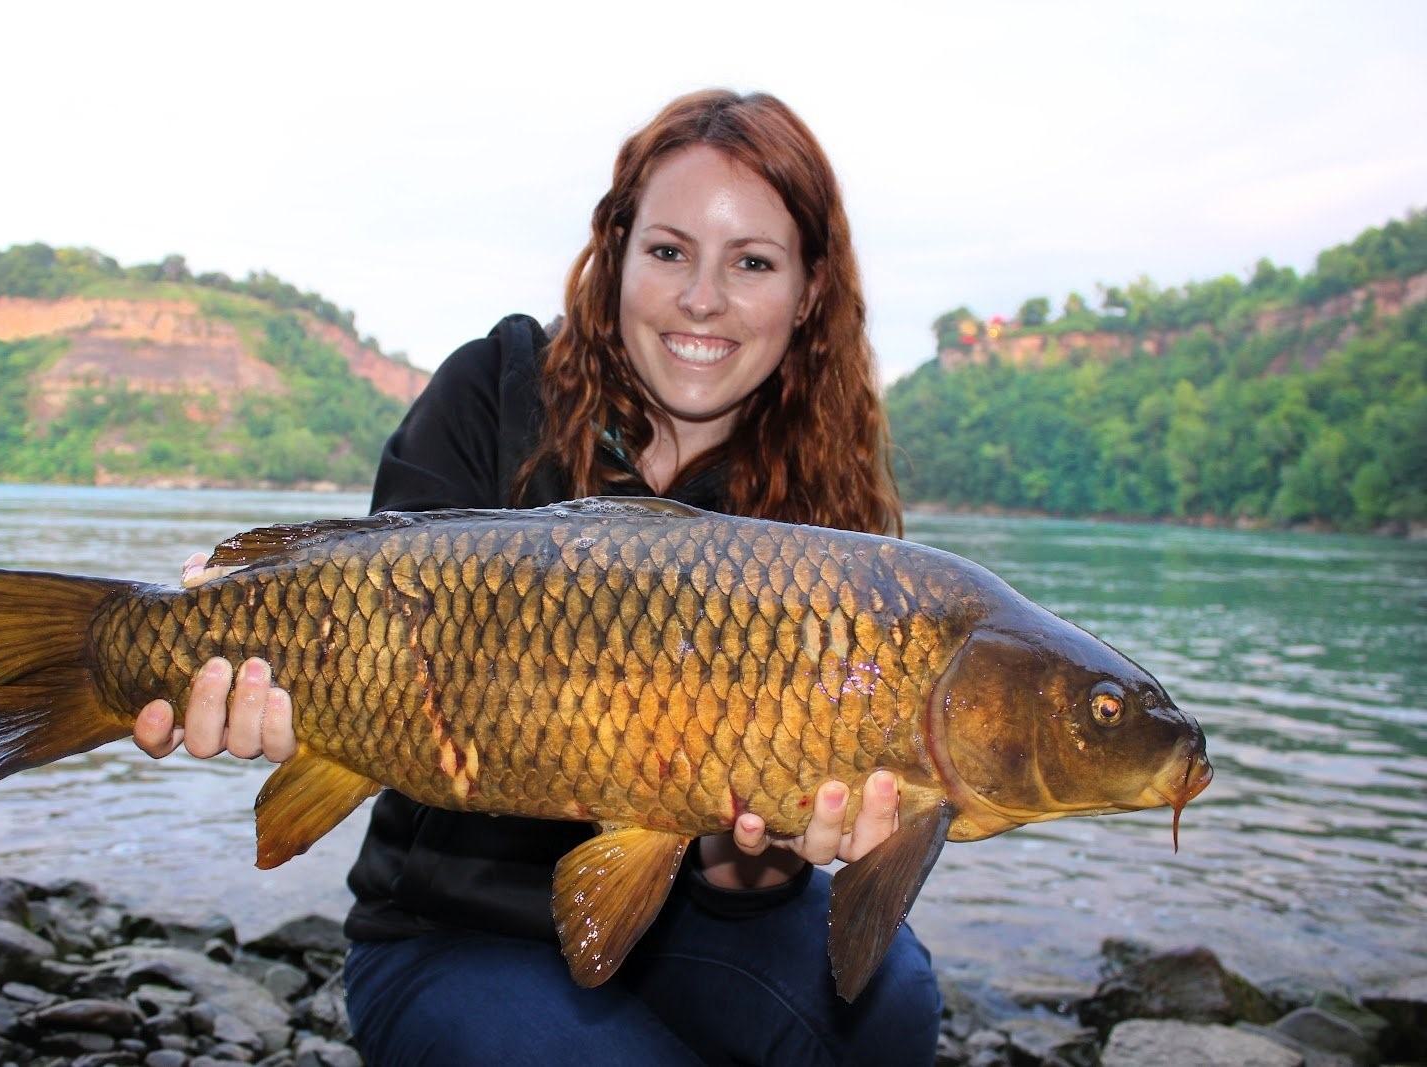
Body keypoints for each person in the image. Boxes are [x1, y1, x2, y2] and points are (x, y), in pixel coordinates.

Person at [133, 89, 942, 1066]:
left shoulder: (825, 528)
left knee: (892, 1000)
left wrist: (760, 844)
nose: (701, 298)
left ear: (809, 291)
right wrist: (232, 651)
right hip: (449, 924)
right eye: (668, 250)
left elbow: (746, 879)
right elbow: (344, 608)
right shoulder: (495, 386)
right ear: (616, 253)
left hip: (685, 918)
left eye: (753, 263)